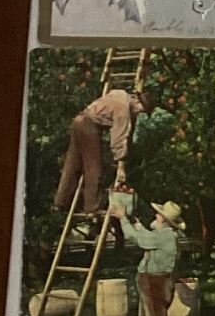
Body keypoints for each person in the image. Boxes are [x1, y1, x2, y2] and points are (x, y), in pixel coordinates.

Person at [111, 198, 184, 316]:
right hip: (151, 282)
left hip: (155, 283)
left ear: (163, 220)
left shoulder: (164, 236)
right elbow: (146, 237)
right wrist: (137, 224)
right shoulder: (163, 234)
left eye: (158, 214)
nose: (156, 216)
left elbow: (139, 239)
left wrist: (123, 219)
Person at [54, 85, 154, 217]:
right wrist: (121, 167)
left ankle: (60, 202)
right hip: (89, 127)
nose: (139, 113)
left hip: (78, 121)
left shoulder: (120, 94)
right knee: (94, 168)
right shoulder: (123, 111)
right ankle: (92, 207)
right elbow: (118, 139)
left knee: (72, 164)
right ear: (137, 101)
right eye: (141, 110)